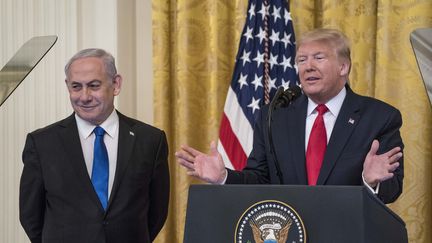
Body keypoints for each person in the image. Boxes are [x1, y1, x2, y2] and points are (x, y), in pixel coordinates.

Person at [175, 28, 404, 204]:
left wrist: (370, 181)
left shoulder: (380, 118)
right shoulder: (274, 116)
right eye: (302, 60)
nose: (308, 67)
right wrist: (224, 177)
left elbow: (392, 189)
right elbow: (261, 179)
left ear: (343, 67)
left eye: (319, 58)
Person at [19, 48, 170, 243]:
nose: (84, 96)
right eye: (76, 87)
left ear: (116, 84)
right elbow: (30, 216)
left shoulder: (150, 140)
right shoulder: (42, 143)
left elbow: (157, 212)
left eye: (94, 85)